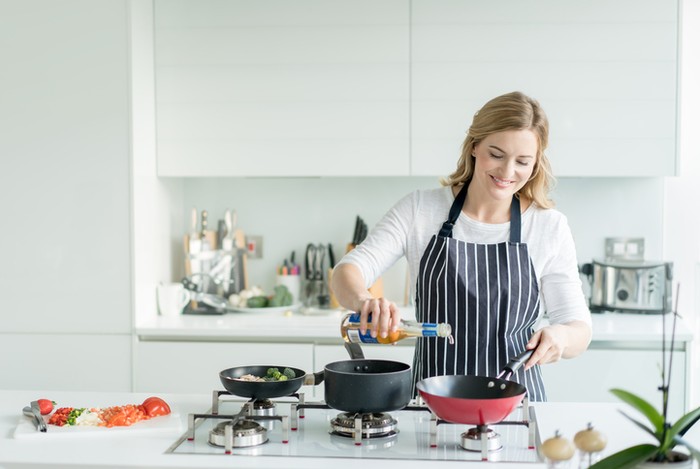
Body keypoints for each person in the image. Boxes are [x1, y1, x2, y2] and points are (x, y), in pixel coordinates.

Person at [331, 91, 592, 401]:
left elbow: (579, 329)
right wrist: (364, 301)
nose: (508, 173)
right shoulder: (421, 209)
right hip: (431, 408)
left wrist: (561, 336)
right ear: (474, 146)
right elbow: (346, 272)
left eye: (522, 161)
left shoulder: (549, 226)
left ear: (536, 163)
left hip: (516, 411)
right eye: (496, 154)